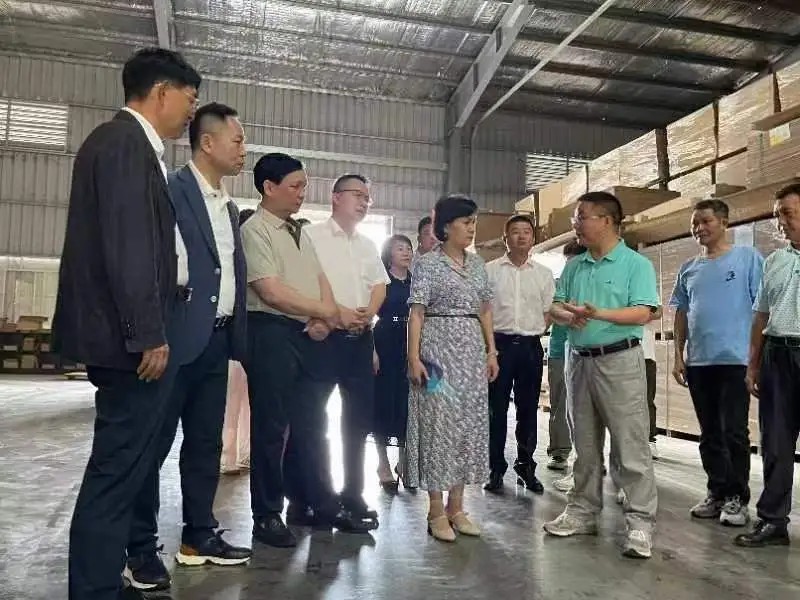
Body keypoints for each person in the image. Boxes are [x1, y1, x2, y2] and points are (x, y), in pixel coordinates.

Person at [52, 47, 200, 600]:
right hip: (127, 342)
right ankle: (92, 588)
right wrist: (148, 332)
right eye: (189, 98)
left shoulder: (132, 146)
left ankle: (102, 578)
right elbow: (129, 247)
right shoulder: (122, 144)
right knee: (115, 472)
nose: (191, 111)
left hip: (128, 335)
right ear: (161, 92)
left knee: (126, 467)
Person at [125, 103, 252, 583]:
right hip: (172, 342)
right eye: (238, 140)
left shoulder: (228, 206)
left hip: (215, 343)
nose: (244, 150)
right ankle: (139, 547)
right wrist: (151, 334)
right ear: (208, 143)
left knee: (203, 444)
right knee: (152, 446)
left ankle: (199, 534)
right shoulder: (170, 189)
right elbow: (150, 265)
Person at [242, 154, 372, 548]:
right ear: (269, 187)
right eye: (295, 186)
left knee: (312, 426)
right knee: (271, 428)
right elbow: (270, 291)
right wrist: (325, 312)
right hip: (270, 333)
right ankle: (266, 514)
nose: (302, 193)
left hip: (306, 334)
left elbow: (320, 280)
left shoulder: (298, 231)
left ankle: (319, 503)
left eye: (304, 186)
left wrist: (327, 315)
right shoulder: (255, 230)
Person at [544, 191, 659, 560]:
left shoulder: (634, 264)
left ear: (606, 221)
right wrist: (567, 315)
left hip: (619, 360)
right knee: (585, 444)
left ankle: (640, 523)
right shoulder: (575, 266)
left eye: (581, 217)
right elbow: (555, 305)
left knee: (630, 445)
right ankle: (582, 511)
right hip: (579, 361)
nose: (575, 224)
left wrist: (598, 314)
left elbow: (643, 312)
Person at [406, 194, 499, 543]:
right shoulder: (428, 264)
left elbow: (485, 309)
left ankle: (456, 507)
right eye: (466, 222)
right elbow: (417, 313)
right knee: (437, 425)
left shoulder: (477, 265)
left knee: (466, 424)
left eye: (474, 222)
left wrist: (491, 351)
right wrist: (413, 357)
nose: (472, 229)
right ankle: (435, 510)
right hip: (435, 352)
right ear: (446, 227)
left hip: (472, 354)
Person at [670, 199, 763, 527]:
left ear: (724, 222)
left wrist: (756, 358)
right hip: (700, 362)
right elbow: (681, 312)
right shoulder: (688, 268)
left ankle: (738, 497)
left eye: (706, 221)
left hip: (736, 360)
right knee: (709, 433)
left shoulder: (748, 258)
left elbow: (761, 309)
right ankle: (717, 491)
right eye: (695, 223)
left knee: (733, 431)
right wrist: (678, 355)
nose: (699, 228)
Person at [304, 174, 390, 527]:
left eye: (368, 197)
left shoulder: (367, 244)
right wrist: (337, 313)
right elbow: (306, 284)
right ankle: (319, 498)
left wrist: (368, 315)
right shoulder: (311, 236)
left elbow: (379, 286)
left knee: (357, 423)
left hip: (360, 340)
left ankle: (353, 493)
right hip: (323, 339)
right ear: (336, 197)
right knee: (315, 423)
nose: (364, 202)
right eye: (358, 195)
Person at [735, 184, 800, 548]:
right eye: (777, 215)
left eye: (787, 213)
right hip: (777, 356)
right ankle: (773, 521)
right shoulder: (774, 261)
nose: (780, 222)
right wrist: (753, 365)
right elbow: (760, 316)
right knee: (775, 443)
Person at [483, 215, 554, 494]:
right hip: (499, 346)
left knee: (528, 410)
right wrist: (490, 349)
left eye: (527, 232)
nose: (521, 236)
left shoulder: (543, 274)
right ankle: (495, 468)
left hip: (530, 348)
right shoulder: (490, 271)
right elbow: (484, 311)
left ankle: (525, 466)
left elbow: (548, 312)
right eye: (515, 232)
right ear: (505, 239)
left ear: (533, 238)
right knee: (496, 410)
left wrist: (531, 331)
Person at [372, 234, 414, 493]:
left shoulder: (416, 282)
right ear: (389, 254)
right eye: (400, 248)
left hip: (411, 342)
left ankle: (404, 462)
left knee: (408, 404)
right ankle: (383, 464)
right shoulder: (381, 280)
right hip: (385, 340)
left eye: (409, 248)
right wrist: (372, 351)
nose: (406, 252)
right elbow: (368, 315)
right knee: (383, 403)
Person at [548, 241, 585, 479]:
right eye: (567, 260)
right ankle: (559, 452)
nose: (570, 265)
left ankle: (589, 457)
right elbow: (548, 313)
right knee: (560, 404)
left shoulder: (591, 283)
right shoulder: (556, 285)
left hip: (585, 350)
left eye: (575, 260)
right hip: (559, 351)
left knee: (586, 407)